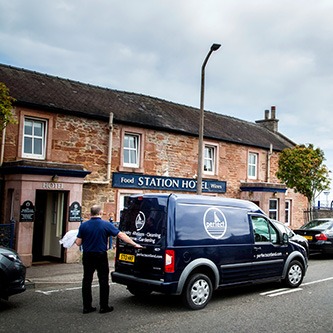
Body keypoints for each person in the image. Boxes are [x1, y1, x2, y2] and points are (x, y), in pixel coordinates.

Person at [75, 204, 142, 314]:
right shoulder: (106, 225)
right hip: (100, 255)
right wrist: (134, 244)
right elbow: (121, 235)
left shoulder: (84, 226)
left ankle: (87, 307)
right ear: (100, 213)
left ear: (90, 213)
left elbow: (78, 243)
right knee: (103, 280)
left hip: (87, 255)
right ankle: (103, 306)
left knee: (87, 280)